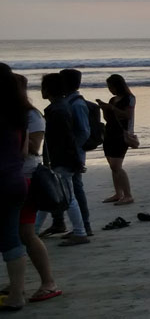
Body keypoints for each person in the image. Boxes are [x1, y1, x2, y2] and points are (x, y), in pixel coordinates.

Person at [13, 74, 60, 303]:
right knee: (14, 234)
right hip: (12, 177)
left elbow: (34, 148)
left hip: (26, 177)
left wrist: (16, 133)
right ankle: (17, 283)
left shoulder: (31, 116)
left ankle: (48, 282)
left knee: (26, 233)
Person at [37, 73, 89, 246]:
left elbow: (66, 139)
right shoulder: (60, 107)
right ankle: (33, 232)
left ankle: (80, 232)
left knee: (68, 198)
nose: (41, 91)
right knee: (50, 196)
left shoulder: (58, 110)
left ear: (49, 90)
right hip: (60, 159)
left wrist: (75, 161)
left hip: (61, 160)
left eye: (42, 87)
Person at [0, 64, 31, 311]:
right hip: (15, 181)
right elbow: (23, 152)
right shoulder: (20, 114)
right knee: (12, 237)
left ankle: (16, 294)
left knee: (10, 237)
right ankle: (17, 293)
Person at [58, 69, 91, 237]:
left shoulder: (76, 104)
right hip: (73, 154)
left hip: (74, 155)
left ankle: (85, 226)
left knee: (76, 189)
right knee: (73, 188)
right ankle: (78, 225)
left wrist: (72, 150)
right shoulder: (70, 101)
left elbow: (84, 132)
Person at [97, 74, 136, 205]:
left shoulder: (129, 98)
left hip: (121, 134)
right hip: (109, 132)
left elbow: (128, 115)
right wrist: (104, 108)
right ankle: (118, 193)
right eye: (109, 87)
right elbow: (108, 119)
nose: (110, 90)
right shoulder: (113, 99)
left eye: (111, 87)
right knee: (112, 166)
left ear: (118, 86)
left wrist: (112, 108)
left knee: (116, 166)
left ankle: (128, 195)